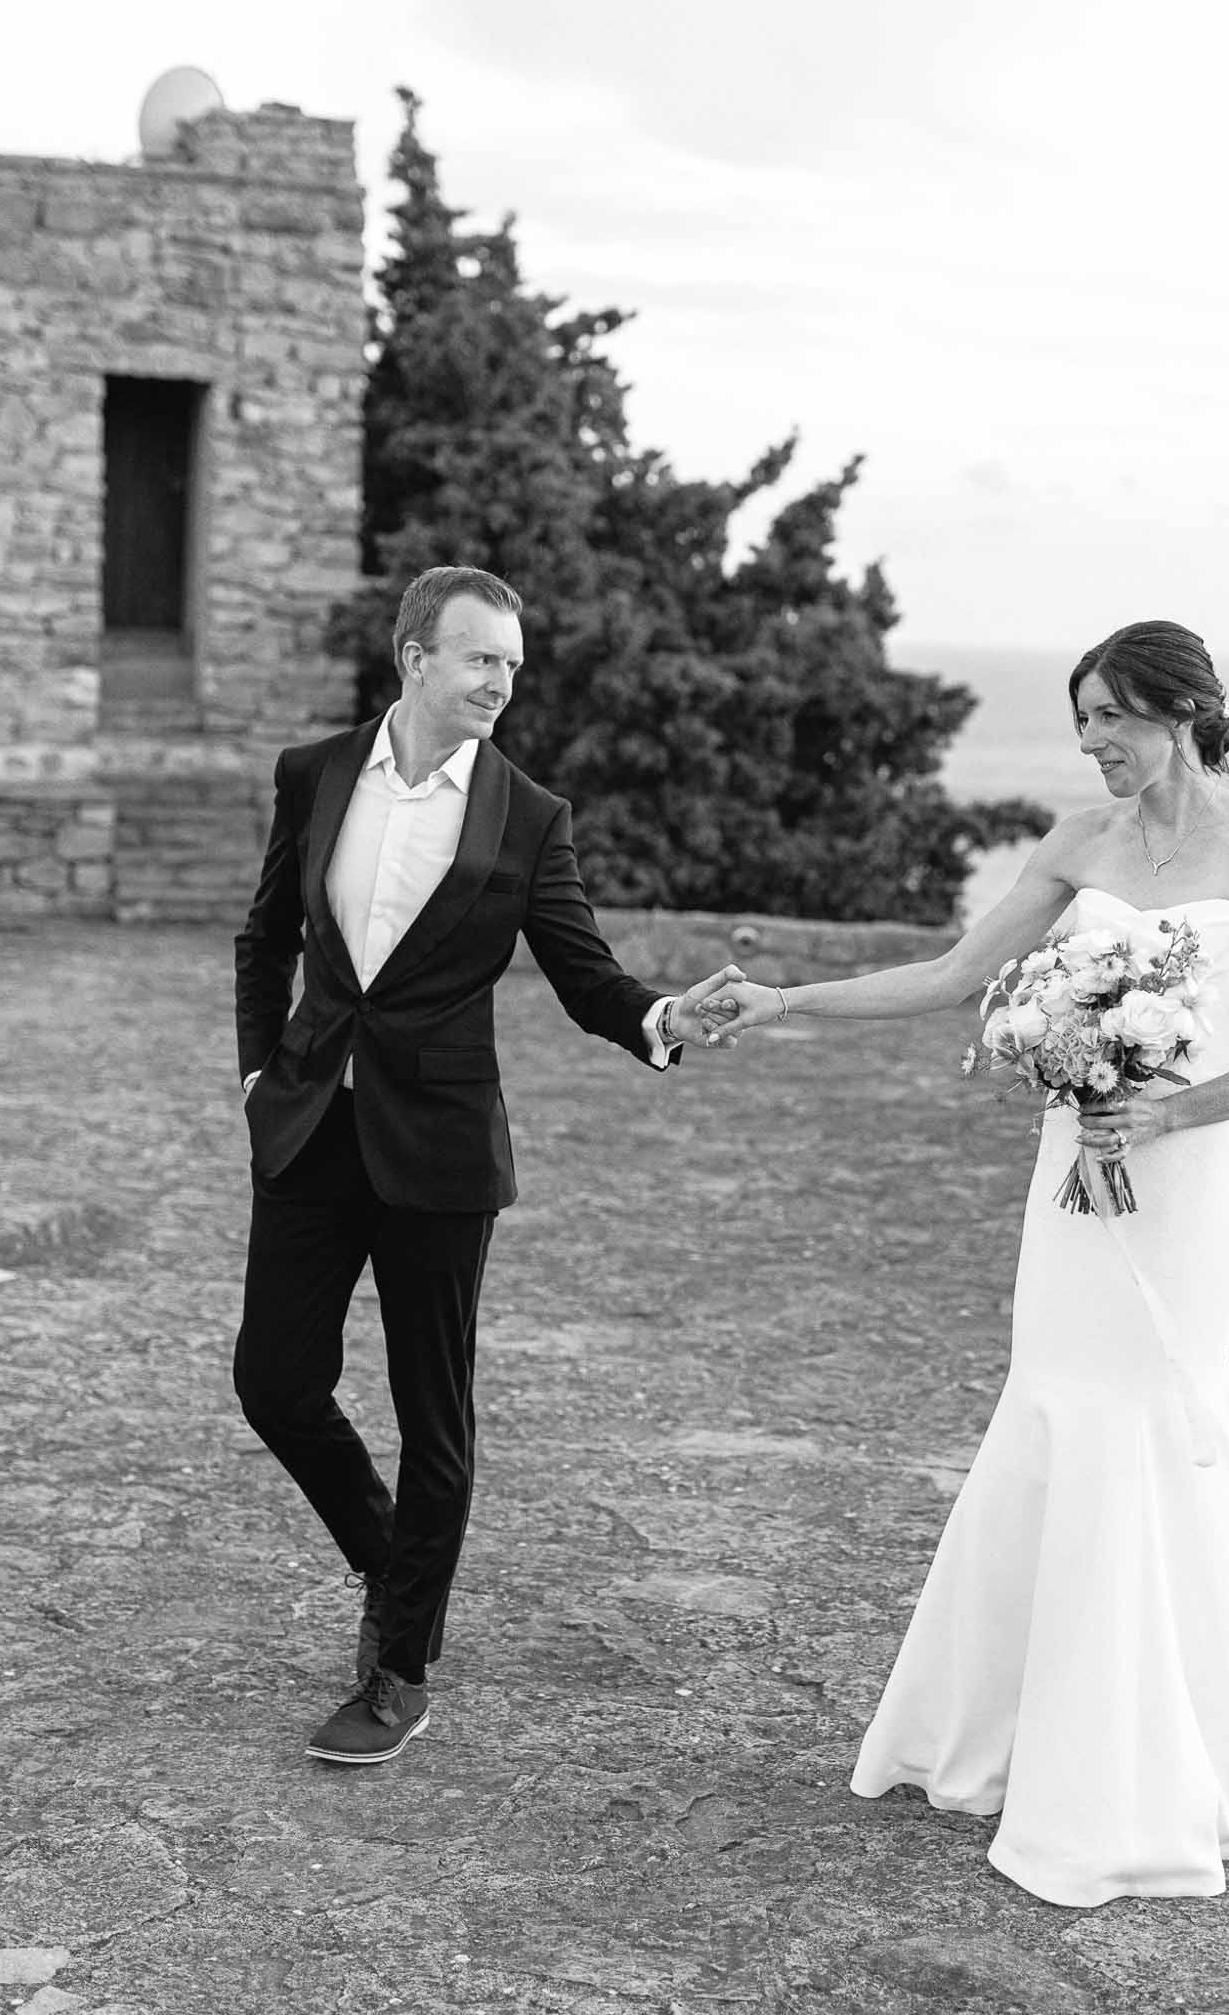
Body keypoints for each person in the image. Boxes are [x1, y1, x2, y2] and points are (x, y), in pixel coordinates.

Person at [705, 619, 1229, 1906]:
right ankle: (1038, 1728)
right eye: (1079, 726)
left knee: (1166, 1416)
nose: (1092, 748)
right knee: (1061, 1403)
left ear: (1179, 710)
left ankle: (1185, 1732)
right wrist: (788, 1003)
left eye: (1110, 722)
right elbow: (961, 973)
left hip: (1186, 1177)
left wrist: (1172, 1109)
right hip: (1071, 1177)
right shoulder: (1079, 844)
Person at [233, 564, 739, 1766]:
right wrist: (258, 1072)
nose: (501, 684)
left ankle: (401, 1666)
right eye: (480, 659)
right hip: (310, 1123)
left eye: (512, 665)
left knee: (434, 1414)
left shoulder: (526, 813)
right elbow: (265, 934)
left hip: (442, 1151)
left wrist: (662, 1019)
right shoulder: (314, 773)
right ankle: (391, 1555)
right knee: (276, 1381)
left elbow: (585, 973)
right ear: (415, 658)